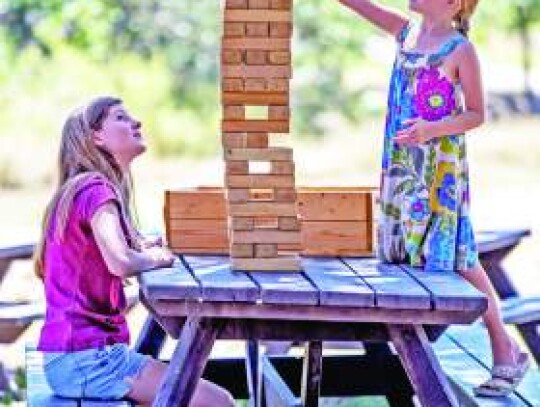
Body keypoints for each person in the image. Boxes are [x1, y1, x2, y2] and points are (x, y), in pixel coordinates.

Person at [336, 0, 529, 397]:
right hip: (400, 165)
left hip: (437, 168)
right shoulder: (406, 32)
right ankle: (410, 357)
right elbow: (361, 6)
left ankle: (503, 348)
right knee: (403, 251)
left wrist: (430, 129)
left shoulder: (459, 49)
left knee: (461, 257)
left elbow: (476, 114)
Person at [34, 96, 235, 407]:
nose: (136, 123)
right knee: (219, 402)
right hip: (89, 360)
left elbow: (107, 252)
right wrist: (157, 258)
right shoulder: (96, 190)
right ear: (96, 137)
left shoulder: (80, 188)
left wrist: (142, 244)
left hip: (71, 357)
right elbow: (121, 262)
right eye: (121, 118)